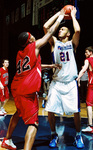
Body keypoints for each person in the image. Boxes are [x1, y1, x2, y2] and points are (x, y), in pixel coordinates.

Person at [1, 8, 65, 150]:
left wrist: (51, 65)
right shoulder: (33, 46)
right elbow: (49, 33)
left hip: (16, 88)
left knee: (18, 112)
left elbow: (35, 66)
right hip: (27, 90)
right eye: (31, 36)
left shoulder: (20, 53)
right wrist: (60, 17)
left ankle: (7, 140)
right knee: (33, 123)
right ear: (29, 39)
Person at [43, 6, 84, 149]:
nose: (60, 29)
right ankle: (54, 134)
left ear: (68, 33)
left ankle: (78, 135)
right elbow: (46, 26)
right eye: (60, 29)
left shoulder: (72, 44)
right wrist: (59, 15)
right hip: (57, 83)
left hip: (70, 83)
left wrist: (72, 15)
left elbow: (78, 30)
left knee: (76, 111)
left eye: (63, 29)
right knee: (50, 110)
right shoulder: (54, 42)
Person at [77, 46, 93, 134]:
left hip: (92, 84)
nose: (85, 54)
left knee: (89, 104)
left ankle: (90, 126)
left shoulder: (88, 60)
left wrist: (77, 78)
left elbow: (83, 70)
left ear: (90, 52)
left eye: (86, 52)